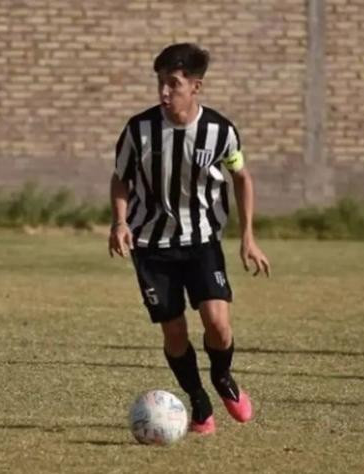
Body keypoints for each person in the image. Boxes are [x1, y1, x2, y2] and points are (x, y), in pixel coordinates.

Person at [109, 43, 271, 434]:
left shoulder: (220, 131)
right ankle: (199, 402)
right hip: (150, 246)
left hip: (201, 241)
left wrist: (248, 236)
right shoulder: (139, 130)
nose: (164, 92)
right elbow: (120, 178)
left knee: (218, 323)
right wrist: (119, 222)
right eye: (160, 83)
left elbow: (241, 177)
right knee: (175, 331)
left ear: (195, 86)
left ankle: (222, 377)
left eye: (174, 84)